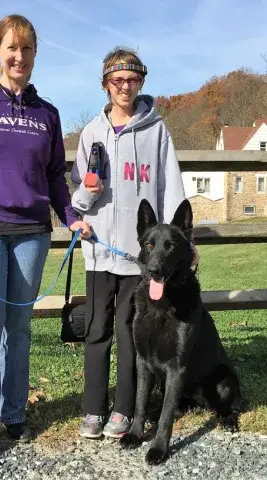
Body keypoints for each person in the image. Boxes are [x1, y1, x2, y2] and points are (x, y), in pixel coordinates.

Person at [0, 14, 90, 463]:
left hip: (32, 232)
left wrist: (71, 217)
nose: (19, 56)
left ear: (35, 54)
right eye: (12, 47)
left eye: (27, 49)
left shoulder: (48, 115)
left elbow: (55, 176)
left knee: (19, 328)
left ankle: (14, 412)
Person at [71, 46, 192, 439]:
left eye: (132, 80)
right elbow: (78, 197)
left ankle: (124, 410)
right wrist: (87, 195)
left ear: (140, 82)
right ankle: (93, 409)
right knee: (97, 329)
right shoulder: (91, 133)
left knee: (129, 334)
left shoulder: (156, 131)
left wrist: (182, 247)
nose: (125, 87)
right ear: (106, 84)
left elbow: (171, 191)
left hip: (140, 260)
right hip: (98, 252)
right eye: (118, 80)